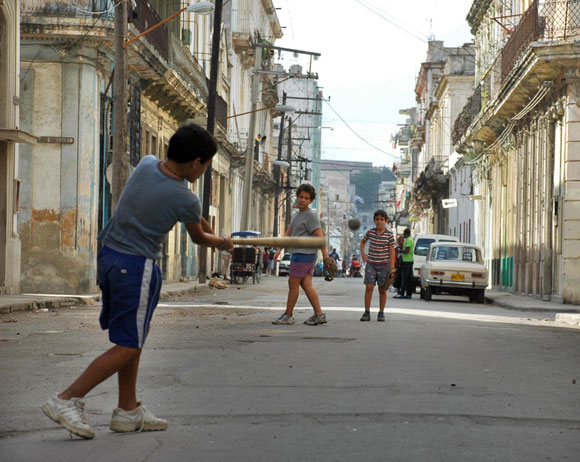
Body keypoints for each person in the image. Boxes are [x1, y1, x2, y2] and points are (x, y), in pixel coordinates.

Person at [41, 123, 233, 439]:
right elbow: (199, 235)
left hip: (110, 257)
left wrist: (212, 227)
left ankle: (127, 410)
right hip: (136, 266)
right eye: (207, 164)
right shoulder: (185, 198)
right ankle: (66, 399)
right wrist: (223, 242)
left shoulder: (146, 164)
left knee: (132, 338)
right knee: (129, 345)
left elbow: (191, 212)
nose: (205, 170)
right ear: (197, 162)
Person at [272, 183, 330, 326]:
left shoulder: (310, 216)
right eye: (301, 197)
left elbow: (319, 236)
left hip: (305, 254)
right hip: (300, 253)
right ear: (297, 197)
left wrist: (326, 256)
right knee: (306, 285)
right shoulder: (297, 215)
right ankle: (319, 314)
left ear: (311, 201)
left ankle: (288, 315)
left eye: (306, 198)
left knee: (293, 284)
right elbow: (288, 233)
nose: (303, 200)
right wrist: (279, 249)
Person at [359, 209, 396, 322]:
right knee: (369, 287)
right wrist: (363, 254)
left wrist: (392, 266)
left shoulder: (389, 235)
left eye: (382, 219)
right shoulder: (370, 232)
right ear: (374, 220)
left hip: (384, 265)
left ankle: (381, 313)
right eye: (377, 219)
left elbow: (392, 251)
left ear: (385, 221)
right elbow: (363, 242)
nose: (379, 221)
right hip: (371, 264)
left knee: (382, 289)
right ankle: (367, 312)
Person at [394, 228, 414, 299]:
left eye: (404, 233)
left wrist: (400, 250)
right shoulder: (409, 240)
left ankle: (402, 293)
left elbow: (407, 251)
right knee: (408, 278)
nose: (403, 235)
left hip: (407, 261)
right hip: (407, 261)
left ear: (406, 233)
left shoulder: (408, 240)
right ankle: (408, 294)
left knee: (405, 278)